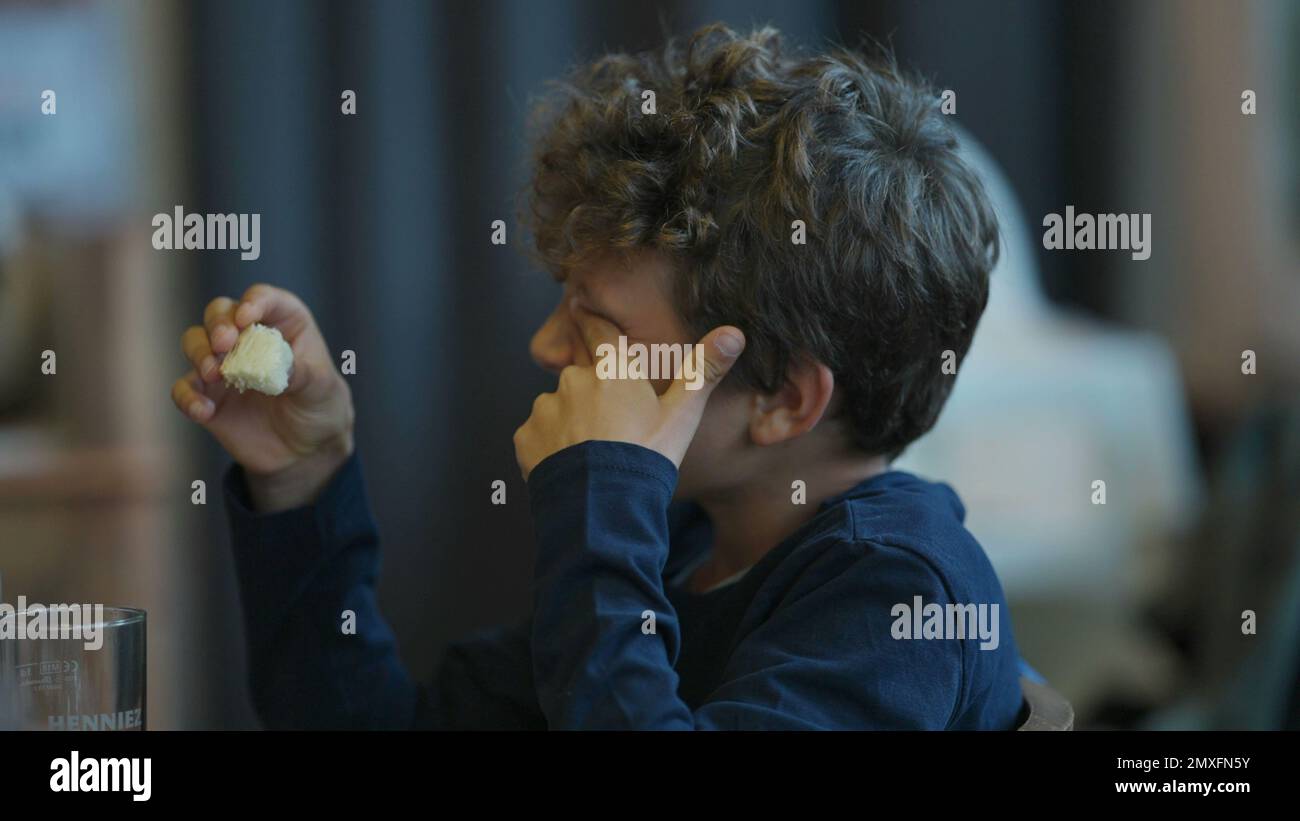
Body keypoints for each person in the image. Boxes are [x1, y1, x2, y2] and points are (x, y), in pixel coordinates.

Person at [171, 23, 1024, 729]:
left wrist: (601, 505)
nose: (546, 347)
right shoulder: (687, 544)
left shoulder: (901, 596)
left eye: (596, 325)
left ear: (784, 399)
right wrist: (305, 476)